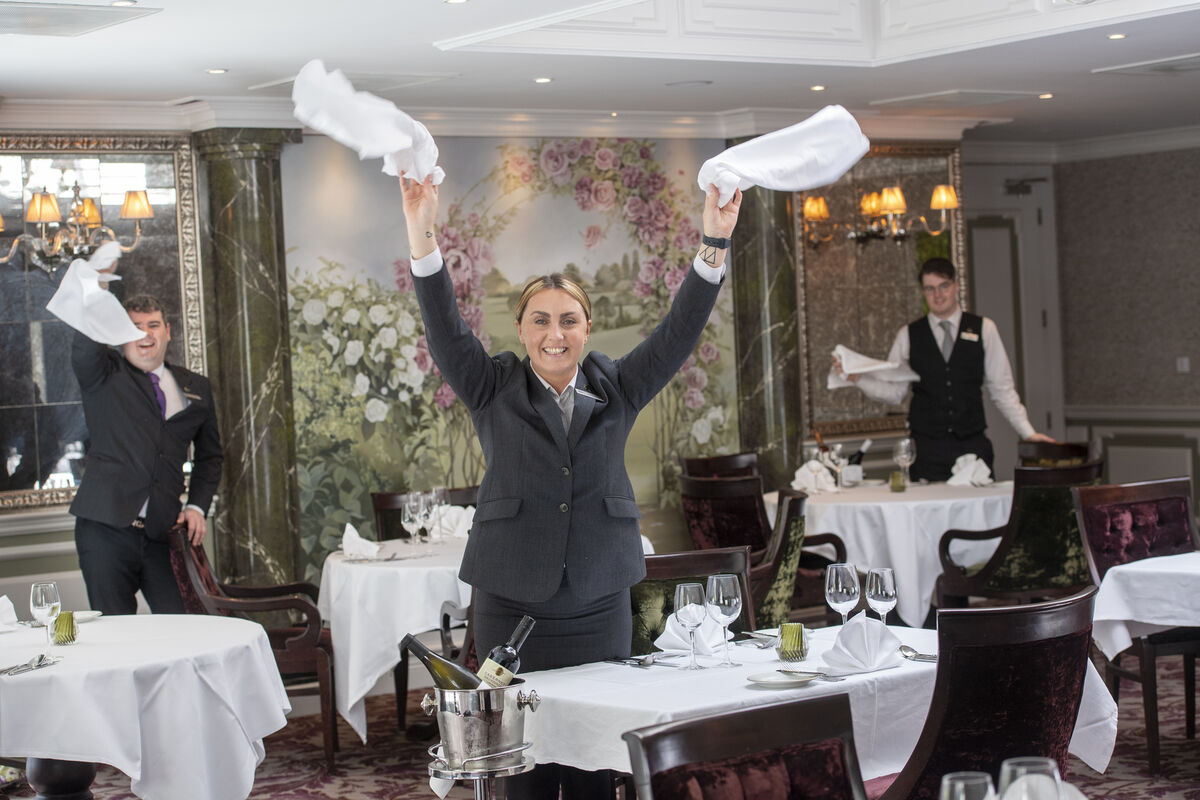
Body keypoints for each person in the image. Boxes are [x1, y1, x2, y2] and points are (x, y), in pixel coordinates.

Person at [400, 174, 740, 800]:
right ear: (522, 330)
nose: (554, 333)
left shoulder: (619, 385)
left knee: (591, 760)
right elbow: (445, 328)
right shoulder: (490, 386)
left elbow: (676, 334)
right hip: (511, 600)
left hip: (598, 599)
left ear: (588, 329)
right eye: (540, 321)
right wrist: (422, 233)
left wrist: (713, 243)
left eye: (568, 320)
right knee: (524, 766)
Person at [52, 255, 222, 615]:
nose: (145, 333)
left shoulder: (197, 387)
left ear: (168, 330)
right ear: (119, 334)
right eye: (134, 326)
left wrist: (196, 506)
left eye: (154, 325)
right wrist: (96, 289)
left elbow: (210, 457)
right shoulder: (104, 374)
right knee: (118, 636)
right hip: (105, 530)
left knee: (183, 628)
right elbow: (85, 345)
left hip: (164, 533)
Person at [838, 257, 1052, 482]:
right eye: (930, 289)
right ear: (923, 292)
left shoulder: (984, 329)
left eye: (944, 286)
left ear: (956, 286)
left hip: (972, 445)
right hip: (926, 449)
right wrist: (858, 378)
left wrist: (1028, 433)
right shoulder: (908, 334)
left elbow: (1002, 390)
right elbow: (895, 393)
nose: (938, 295)